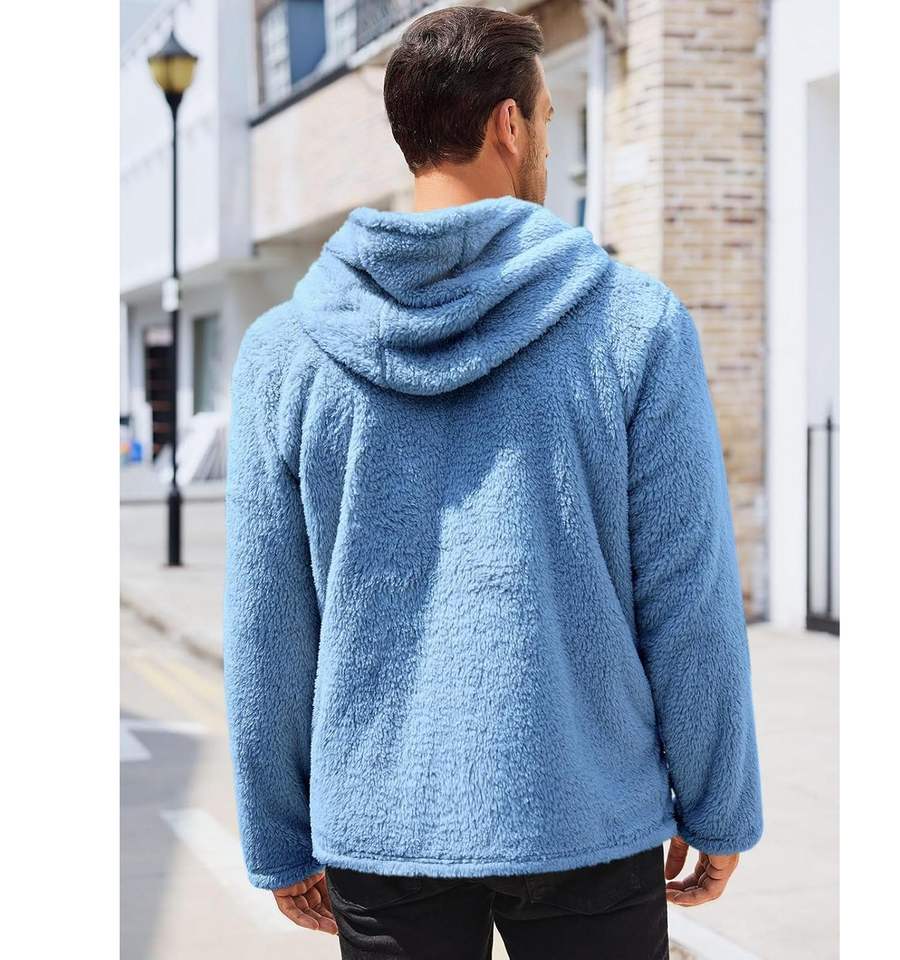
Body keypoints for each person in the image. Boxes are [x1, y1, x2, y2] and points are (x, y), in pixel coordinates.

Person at [222, 6, 763, 958]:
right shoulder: (634, 326)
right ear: (509, 125)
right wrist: (719, 802)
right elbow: (688, 594)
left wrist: (276, 830)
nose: (547, 138)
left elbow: (267, 619)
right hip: (588, 809)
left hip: (381, 823)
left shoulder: (286, 353)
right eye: (547, 117)